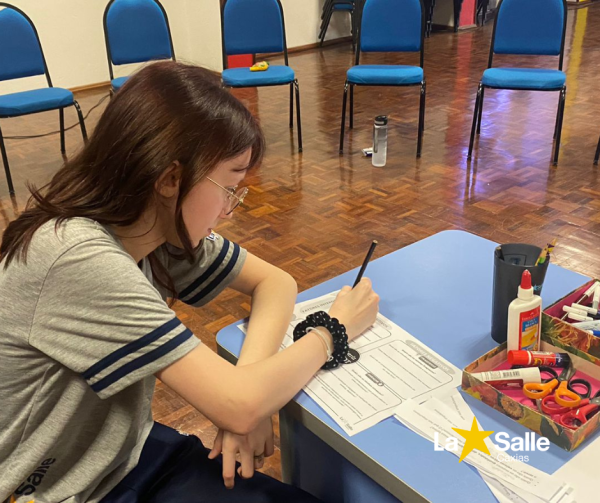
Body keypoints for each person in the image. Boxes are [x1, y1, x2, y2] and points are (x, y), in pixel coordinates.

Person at [0, 61, 379, 503]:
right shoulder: (76, 256)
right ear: (171, 179)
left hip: (123, 457)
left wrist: (250, 392)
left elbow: (275, 282)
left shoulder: (149, 226)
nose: (229, 209)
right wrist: (332, 331)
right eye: (229, 187)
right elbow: (240, 403)